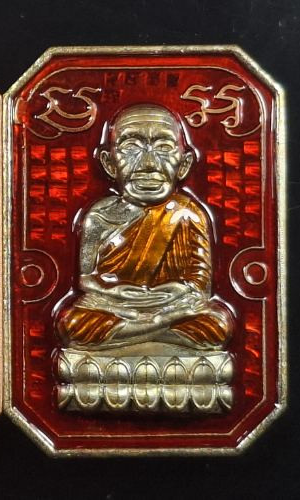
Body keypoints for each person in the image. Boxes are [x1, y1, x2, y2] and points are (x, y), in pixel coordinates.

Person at [56, 104, 233, 351]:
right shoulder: (99, 215)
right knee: (74, 324)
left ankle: (137, 332)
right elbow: (86, 280)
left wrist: (174, 292)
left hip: (172, 306)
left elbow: (200, 287)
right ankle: (157, 331)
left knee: (216, 324)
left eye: (164, 147)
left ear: (184, 164)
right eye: (131, 147)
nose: (148, 163)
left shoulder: (188, 214)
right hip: (117, 306)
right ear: (109, 163)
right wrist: (118, 293)